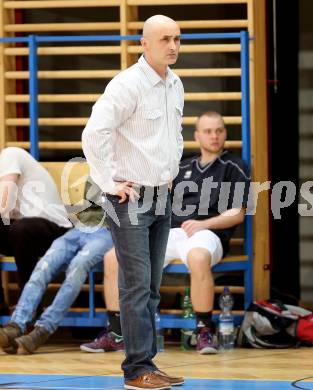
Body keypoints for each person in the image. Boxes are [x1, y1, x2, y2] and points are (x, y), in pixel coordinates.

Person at [81, 110, 251, 355]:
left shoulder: (233, 165)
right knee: (112, 258)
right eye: (208, 131)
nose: (214, 136)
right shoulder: (182, 166)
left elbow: (237, 213)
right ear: (197, 135)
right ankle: (117, 333)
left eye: (219, 130)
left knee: (198, 257)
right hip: (172, 231)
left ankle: (204, 331)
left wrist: (205, 224)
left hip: (207, 232)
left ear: (225, 133)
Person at [82, 14, 184, 390]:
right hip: (131, 199)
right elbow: (94, 133)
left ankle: (148, 364)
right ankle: (135, 370)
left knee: (152, 287)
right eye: (164, 39)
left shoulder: (176, 85)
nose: (172, 46)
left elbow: (172, 135)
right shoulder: (126, 84)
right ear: (144, 43)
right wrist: (108, 181)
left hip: (162, 195)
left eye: (177, 38)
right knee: (136, 286)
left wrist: (170, 172)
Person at [0, 178, 114, 354]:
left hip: (108, 232)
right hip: (79, 229)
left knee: (78, 266)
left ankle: (44, 329)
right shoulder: (97, 171)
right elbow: (89, 210)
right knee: (44, 266)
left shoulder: (132, 172)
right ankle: (16, 324)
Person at [0, 147, 72, 315]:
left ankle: (29, 306)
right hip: (25, 233)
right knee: (20, 229)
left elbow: (4, 205)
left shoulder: (10, 155)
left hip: (57, 230)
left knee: (21, 229)